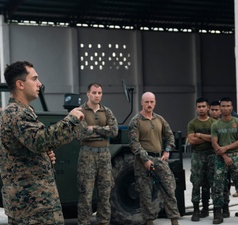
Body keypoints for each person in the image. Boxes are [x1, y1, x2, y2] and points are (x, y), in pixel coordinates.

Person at [0, 61, 86, 224]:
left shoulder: (21, 112)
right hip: (33, 206)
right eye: (34, 79)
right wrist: (70, 120)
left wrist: (44, 155)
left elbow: (33, 146)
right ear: (20, 84)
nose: (40, 84)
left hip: (33, 204)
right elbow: (40, 141)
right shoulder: (17, 113)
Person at [128, 92, 180, 225]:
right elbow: (134, 143)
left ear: (155, 102)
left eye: (151, 102)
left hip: (159, 160)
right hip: (142, 161)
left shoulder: (160, 120)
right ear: (142, 102)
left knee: (169, 189)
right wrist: (145, 159)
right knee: (145, 193)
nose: (149, 104)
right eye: (147, 102)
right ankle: (149, 221)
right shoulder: (135, 121)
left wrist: (167, 150)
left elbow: (170, 136)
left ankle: (174, 220)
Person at [77, 83, 118, 225]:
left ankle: (104, 222)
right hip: (87, 155)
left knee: (105, 194)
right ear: (88, 94)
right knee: (86, 194)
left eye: (99, 93)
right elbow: (80, 133)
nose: (97, 95)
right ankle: (84, 223)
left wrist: (93, 128)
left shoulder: (106, 112)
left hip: (104, 156)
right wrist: (103, 130)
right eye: (94, 92)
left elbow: (114, 131)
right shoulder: (80, 111)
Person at [211, 97, 238, 224]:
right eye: (223, 106)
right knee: (218, 186)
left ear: (232, 107)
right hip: (220, 158)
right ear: (220, 109)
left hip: (236, 156)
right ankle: (218, 214)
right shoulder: (215, 125)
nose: (225, 108)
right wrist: (224, 156)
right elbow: (214, 142)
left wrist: (226, 148)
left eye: (228, 106)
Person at [187, 97, 217, 221]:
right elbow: (192, 140)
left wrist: (199, 135)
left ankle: (205, 208)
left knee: (209, 182)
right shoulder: (192, 123)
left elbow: (215, 139)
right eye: (199, 107)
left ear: (208, 108)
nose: (201, 109)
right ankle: (195, 210)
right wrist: (207, 137)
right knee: (196, 182)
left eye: (203, 106)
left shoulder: (214, 123)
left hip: (211, 155)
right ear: (196, 108)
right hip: (197, 156)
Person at [209, 100, 231, 218]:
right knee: (214, 184)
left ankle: (226, 207)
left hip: (225, 157)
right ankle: (214, 208)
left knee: (225, 183)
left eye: (217, 109)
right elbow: (212, 140)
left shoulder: (228, 122)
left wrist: (201, 136)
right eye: (212, 110)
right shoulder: (210, 123)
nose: (215, 112)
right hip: (210, 157)